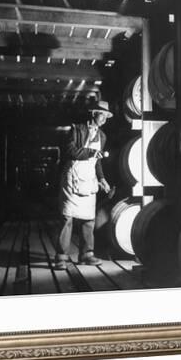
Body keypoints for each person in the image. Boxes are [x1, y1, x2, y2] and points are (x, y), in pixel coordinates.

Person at [54, 101, 113, 269]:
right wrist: (92, 152)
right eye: (102, 115)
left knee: (89, 219)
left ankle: (87, 254)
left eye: (107, 116)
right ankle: (61, 257)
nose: (105, 119)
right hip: (72, 176)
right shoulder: (77, 129)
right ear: (94, 113)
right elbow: (70, 151)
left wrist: (102, 179)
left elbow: (97, 162)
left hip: (89, 177)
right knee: (67, 217)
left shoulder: (102, 136)